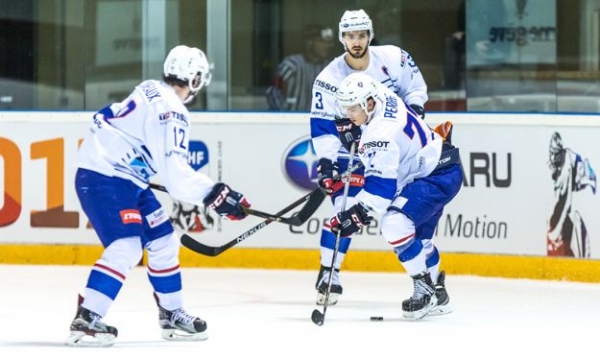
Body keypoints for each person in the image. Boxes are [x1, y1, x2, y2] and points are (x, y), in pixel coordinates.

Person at [65, 45, 251, 347]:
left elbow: (105, 117)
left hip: (125, 179)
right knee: (126, 246)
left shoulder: (150, 88)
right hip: (105, 178)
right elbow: (176, 179)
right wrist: (214, 194)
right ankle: (87, 317)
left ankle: (171, 313)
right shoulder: (173, 111)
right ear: (194, 80)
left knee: (164, 240)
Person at [309, 9, 431, 307]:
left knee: (403, 217)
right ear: (342, 38)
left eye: (362, 34)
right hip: (348, 152)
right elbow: (322, 125)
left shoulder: (392, 58)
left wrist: (412, 113)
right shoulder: (328, 79)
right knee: (345, 208)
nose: (357, 41)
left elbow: (415, 88)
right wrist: (327, 163)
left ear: (370, 35)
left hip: (388, 147)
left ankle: (429, 281)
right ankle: (329, 273)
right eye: (351, 35)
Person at [329, 72, 462, 319]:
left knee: (394, 223)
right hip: (440, 165)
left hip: (434, 176)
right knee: (419, 241)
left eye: (352, 109)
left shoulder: (378, 137)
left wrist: (354, 215)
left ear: (369, 103)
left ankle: (424, 290)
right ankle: (438, 293)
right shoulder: (381, 94)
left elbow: (381, 192)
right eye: (345, 109)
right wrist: (356, 134)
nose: (348, 114)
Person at [547, 132, 596, 258]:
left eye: (555, 153)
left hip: (587, 188)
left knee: (573, 222)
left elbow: (566, 202)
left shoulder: (566, 168)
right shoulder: (557, 162)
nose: (552, 157)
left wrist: (555, 232)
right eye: (551, 153)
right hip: (579, 186)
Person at [266, 24, 334, 111]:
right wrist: (284, 117)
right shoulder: (291, 66)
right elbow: (273, 93)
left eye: (329, 42)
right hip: (289, 122)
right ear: (309, 42)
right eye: (322, 41)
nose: (328, 45)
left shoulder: (328, 69)